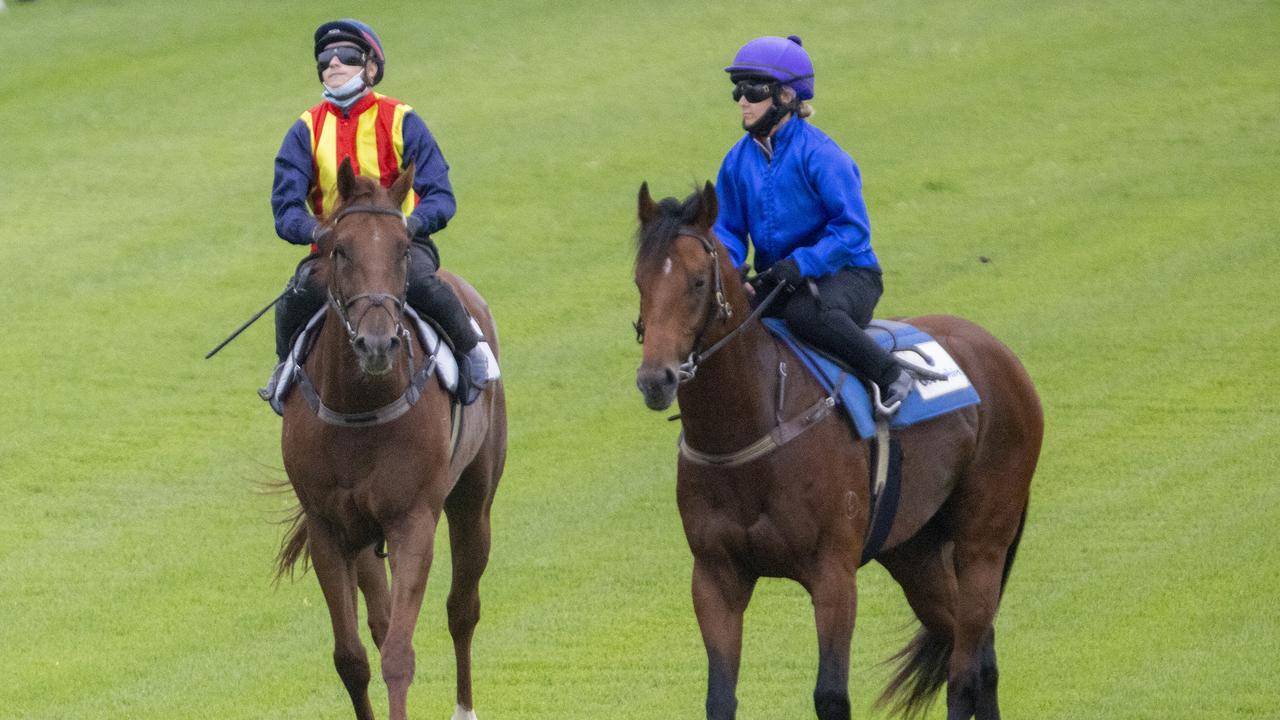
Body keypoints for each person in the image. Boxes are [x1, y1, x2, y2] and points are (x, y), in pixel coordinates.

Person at [262, 18, 494, 410]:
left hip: (401, 246)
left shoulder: (402, 119)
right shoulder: (305, 129)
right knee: (295, 298)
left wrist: (410, 225)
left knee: (424, 286)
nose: (333, 64)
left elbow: (440, 194)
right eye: (325, 58)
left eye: (346, 56)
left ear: (370, 67)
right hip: (339, 250)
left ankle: (473, 352)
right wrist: (317, 234)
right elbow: (285, 207)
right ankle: (285, 370)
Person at [712, 34, 926, 415]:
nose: (742, 99)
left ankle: (891, 374)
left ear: (787, 97)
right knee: (726, 317)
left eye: (753, 88)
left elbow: (852, 231)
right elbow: (727, 229)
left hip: (849, 275)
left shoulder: (824, 157)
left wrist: (803, 264)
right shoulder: (735, 162)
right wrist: (732, 274)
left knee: (805, 315)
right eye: (737, 90)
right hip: (782, 279)